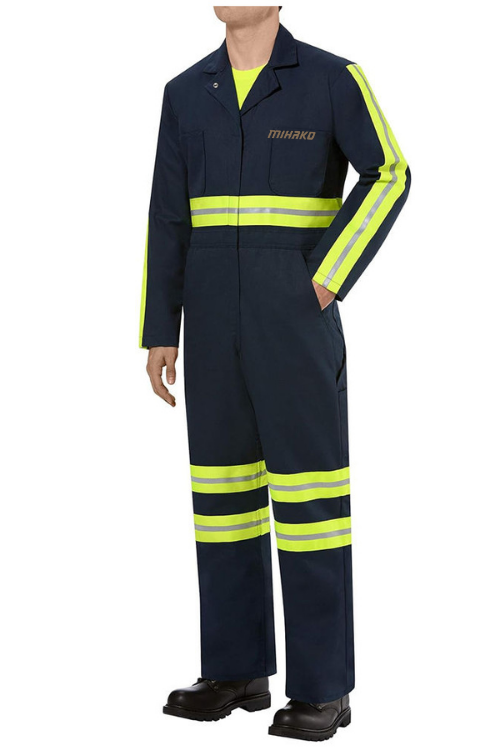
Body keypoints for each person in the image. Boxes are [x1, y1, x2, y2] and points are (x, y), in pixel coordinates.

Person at [139, 5, 411, 741]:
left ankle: (324, 688)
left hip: (292, 320)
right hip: (209, 321)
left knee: (309, 503)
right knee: (221, 500)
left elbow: (389, 173)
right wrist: (160, 328)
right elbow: (167, 215)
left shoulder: (330, 78)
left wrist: (326, 277)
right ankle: (236, 670)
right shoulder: (185, 91)